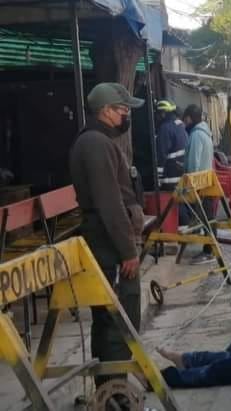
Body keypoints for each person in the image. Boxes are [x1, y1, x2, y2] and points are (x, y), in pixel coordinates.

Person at [69, 83, 146, 387]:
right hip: (109, 247)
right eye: (123, 110)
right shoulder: (96, 144)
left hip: (108, 243)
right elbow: (109, 204)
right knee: (117, 321)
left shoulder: (100, 141)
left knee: (109, 319)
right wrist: (127, 250)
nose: (126, 116)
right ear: (106, 111)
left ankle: (111, 391)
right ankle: (115, 395)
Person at [182, 104, 216, 265]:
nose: (184, 122)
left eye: (185, 119)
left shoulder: (196, 135)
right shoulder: (206, 133)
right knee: (209, 218)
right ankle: (210, 250)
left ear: (189, 118)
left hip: (198, 184)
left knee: (205, 218)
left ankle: (209, 252)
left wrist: (189, 185)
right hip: (206, 181)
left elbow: (194, 163)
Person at [155, 100, 189, 190]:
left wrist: (157, 178)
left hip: (170, 179)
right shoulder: (180, 124)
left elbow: (161, 155)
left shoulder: (165, 128)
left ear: (163, 113)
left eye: (158, 114)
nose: (157, 117)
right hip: (182, 177)